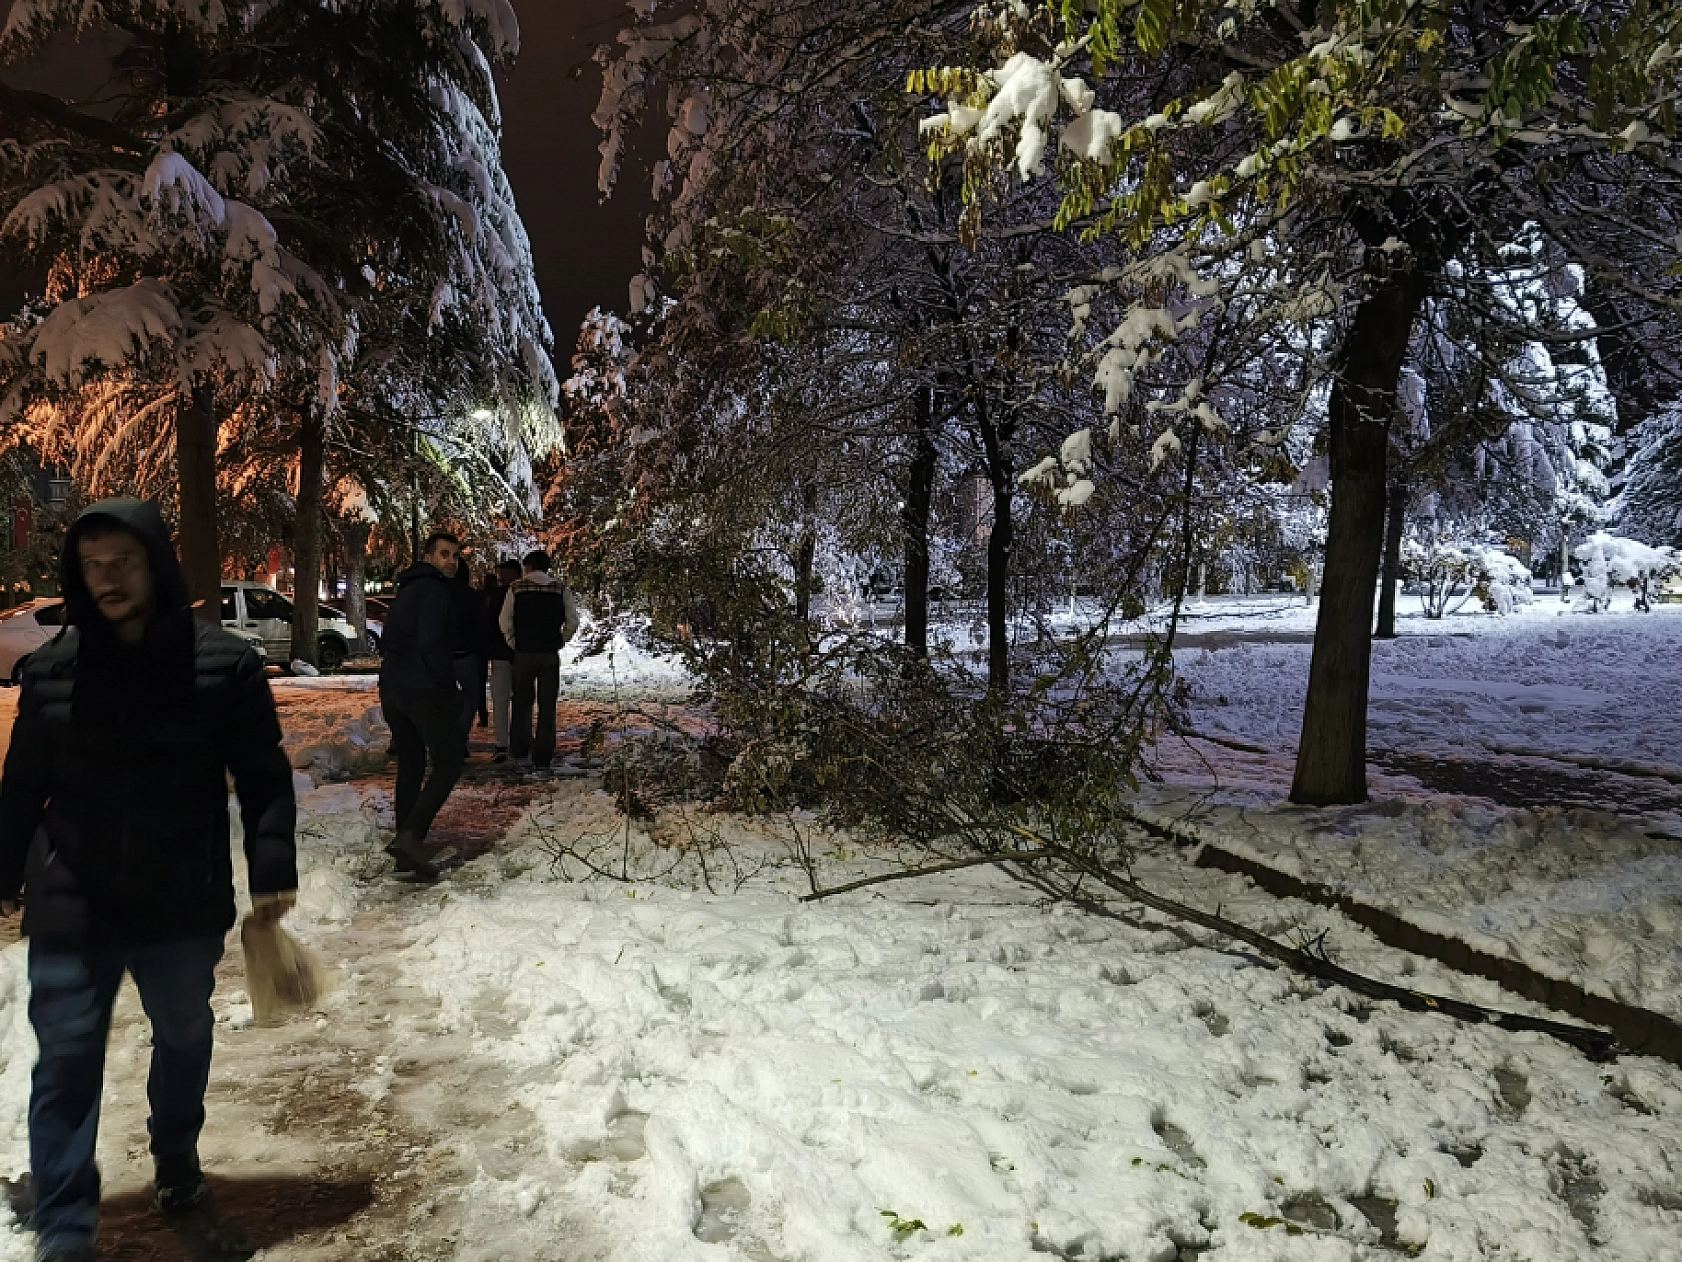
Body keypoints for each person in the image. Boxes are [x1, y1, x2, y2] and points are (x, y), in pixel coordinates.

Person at [0, 500, 297, 1262]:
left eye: (122, 562)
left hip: (180, 899)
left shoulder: (222, 665)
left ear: (157, 564)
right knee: (65, 1058)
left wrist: (271, 875)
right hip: (73, 901)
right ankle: (65, 1225)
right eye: (92, 566)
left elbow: (263, 777)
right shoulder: (52, 671)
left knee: (184, 1035)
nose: (107, 580)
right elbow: (20, 788)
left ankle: (175, 1156)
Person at [377, 533, 466, 881]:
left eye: (456, 556)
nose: (452, 561)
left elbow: (390, 640)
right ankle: (412, 836)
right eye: (445, 554)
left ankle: (405, 845)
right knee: (448, 762)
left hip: (393, 688)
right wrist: (449, 685)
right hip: (422, 689)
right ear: (428, 557)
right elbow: (431, 645)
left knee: (412, 763)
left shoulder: (407, 591)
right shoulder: (434, 592)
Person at [498, 551, 579, 770]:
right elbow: (572, 621)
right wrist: (560, 639)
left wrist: (513, 641)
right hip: (549, 653)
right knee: (547, 705)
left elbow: (505, 620)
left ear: (528, 567)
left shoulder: (516, 588)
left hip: (524, 652)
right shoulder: (560, 589)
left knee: (522, 703)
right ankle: (543, 754)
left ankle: (521, 749)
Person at [481, 559, 522, 762]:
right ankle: (517, 739)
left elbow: (489, 623)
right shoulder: (523, 594)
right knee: (521, 699)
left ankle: (502, 742)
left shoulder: (497, 595)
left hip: (500, 654)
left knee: (500, 699)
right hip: (520, 654)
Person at [449, 562, 480, 754]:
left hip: (441, 654)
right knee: (470, 698)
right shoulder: (472, 597)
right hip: (466, 653)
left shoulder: (437, 594)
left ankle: (448, 739)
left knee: (444, 698)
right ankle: (460, 737)